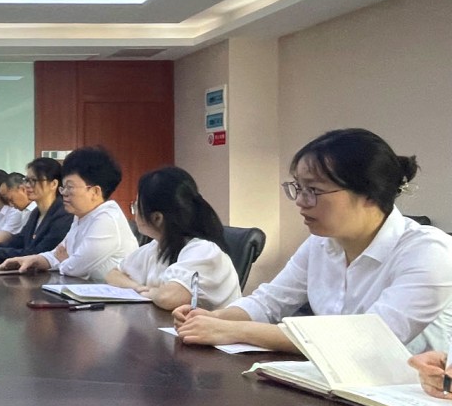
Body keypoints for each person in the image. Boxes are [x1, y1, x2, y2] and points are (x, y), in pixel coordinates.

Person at [175, 128, 452, 353]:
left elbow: (369, 339)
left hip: (413, 394)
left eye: (314, 190)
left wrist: (235, 330)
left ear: (370, 193)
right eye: (298, 188)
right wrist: (214, 318)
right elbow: (269, 302)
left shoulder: (428, 251)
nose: (300, 201)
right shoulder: (321, 243)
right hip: (336, 384)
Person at [104, 167, 240, 311]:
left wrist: (151, 293)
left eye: (136, 207)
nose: (134, 213)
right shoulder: (156, 246)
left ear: (157, 218)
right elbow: (113, 275)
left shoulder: (204, 250)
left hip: (213, 326)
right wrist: (138, 288)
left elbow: (168, 298)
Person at [0, 147, 138, 278]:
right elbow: (56, 254)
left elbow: (75, 268)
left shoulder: (107, 220)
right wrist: (31, 260)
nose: (64, 193)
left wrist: (65, 260)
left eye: (70, 187)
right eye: (63, 187)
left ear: (95, 192)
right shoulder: (81, 216)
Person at [0, 158, 72, 262]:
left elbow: (39, 252)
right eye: (26, 180)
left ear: (53, 184)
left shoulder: (63, 214)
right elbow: (20, 240)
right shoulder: (36, 212)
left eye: (34, 181)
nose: (27, 185)